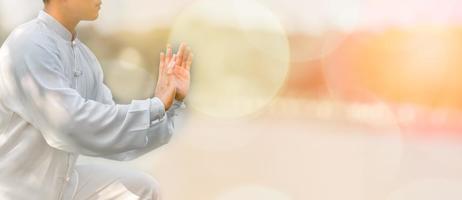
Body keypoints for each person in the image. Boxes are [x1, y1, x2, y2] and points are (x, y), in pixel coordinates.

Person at [0, 0, 193, 199]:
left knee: (142, 189)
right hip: (17, 192)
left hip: (62, 186)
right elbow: (67, 126)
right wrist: (155, 106)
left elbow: (112, 134)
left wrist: (168, 106)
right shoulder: (29, 44)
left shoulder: (84, 58)